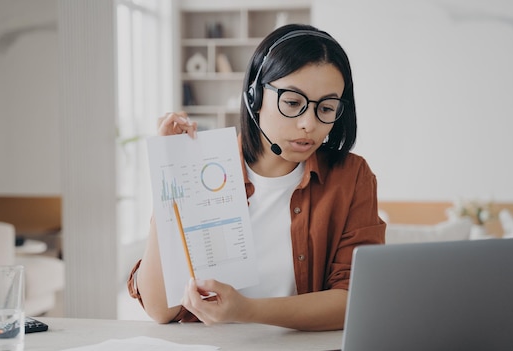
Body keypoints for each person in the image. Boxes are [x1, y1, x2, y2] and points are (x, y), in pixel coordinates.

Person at [128, 23, 385, 331]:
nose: (309, 123)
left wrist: (247, 310)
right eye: (292, 103)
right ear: (255, 96)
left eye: (326, 108)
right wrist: (168, 171)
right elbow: (160, 310)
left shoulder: (352, 178)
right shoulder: (204, 169)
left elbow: (353, 299)